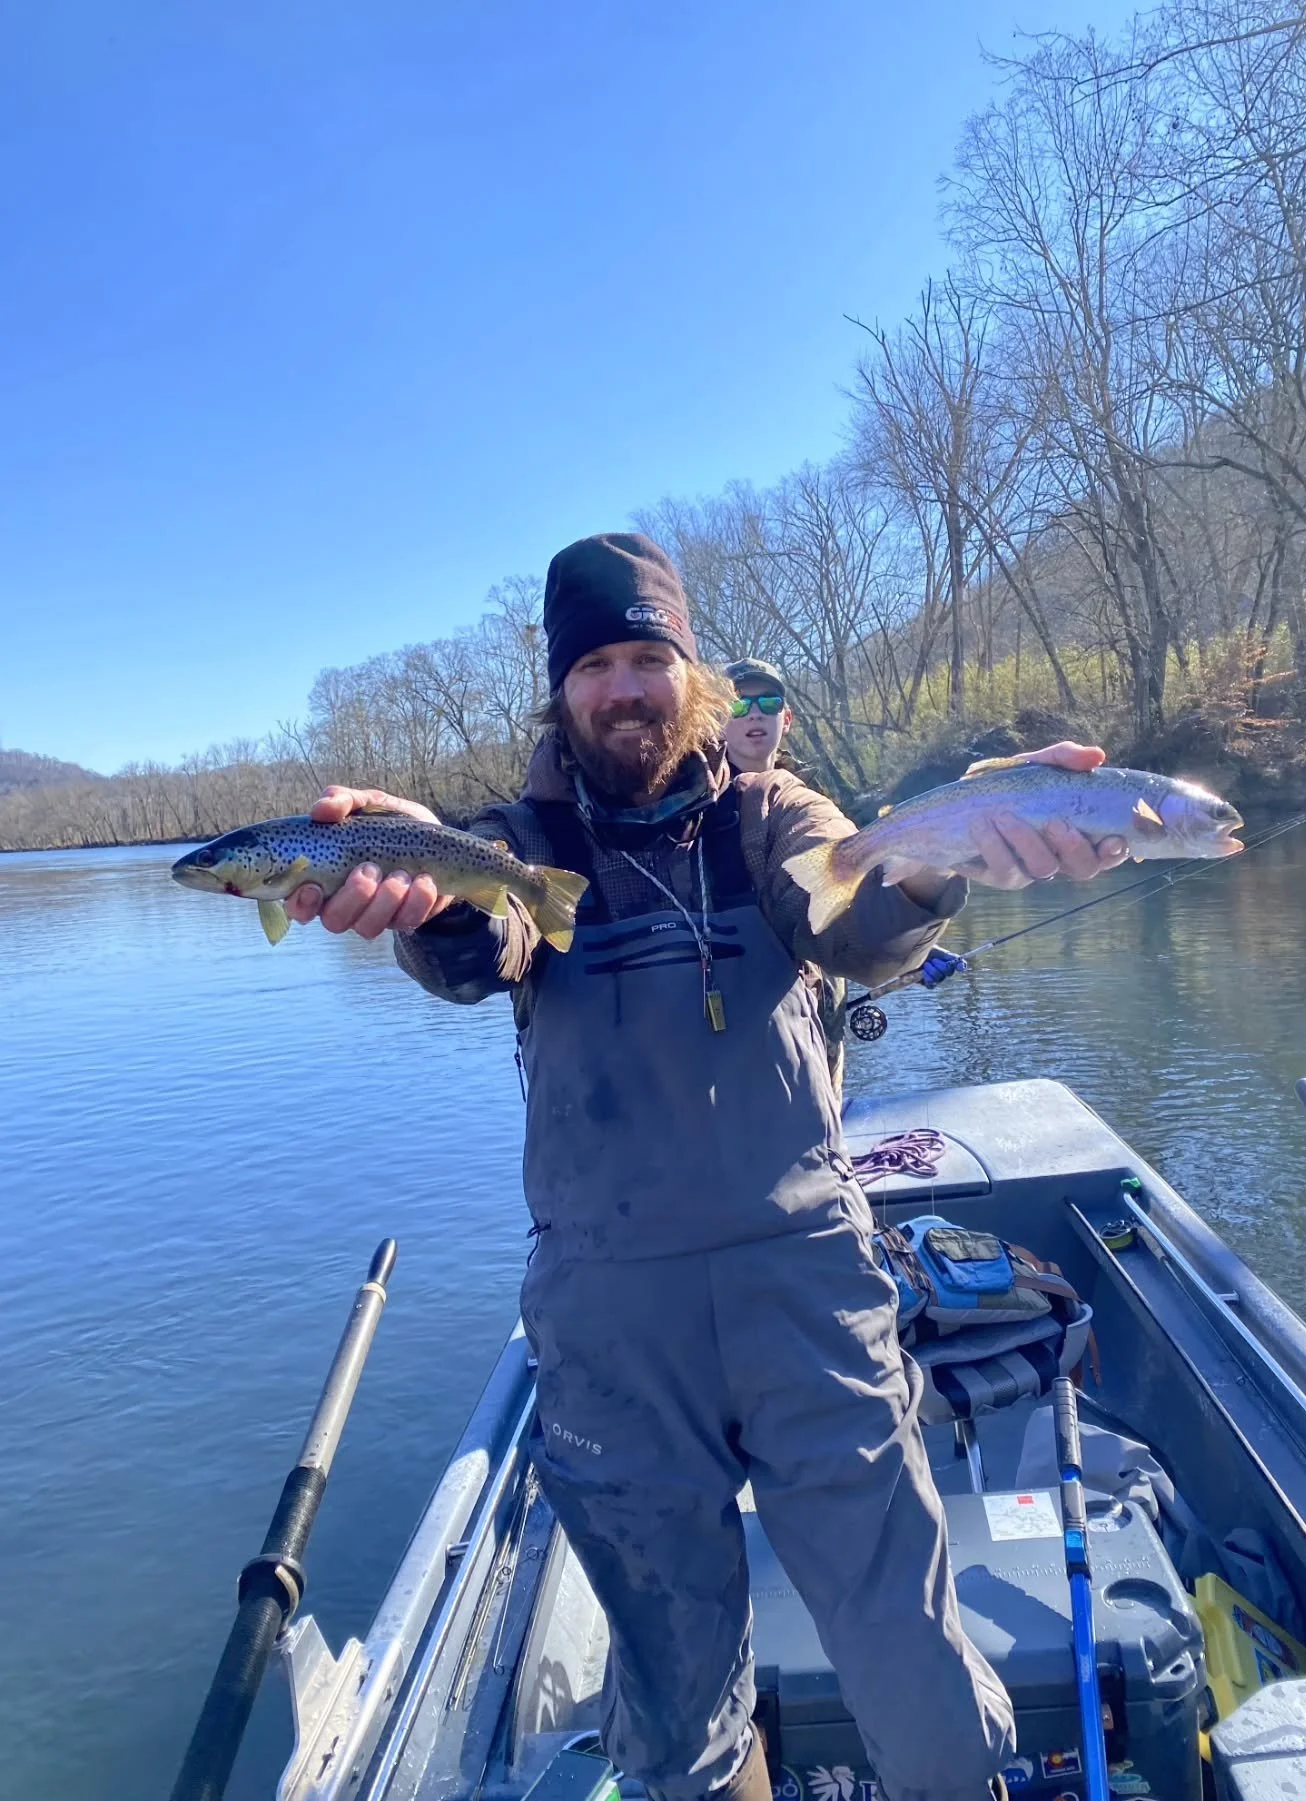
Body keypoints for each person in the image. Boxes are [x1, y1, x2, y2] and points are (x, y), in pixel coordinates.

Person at [284, 533, 1129, 1801]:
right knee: (675, 1701)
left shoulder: (770, 817)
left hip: (808, 1285)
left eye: (648, 657)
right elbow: (484, 943)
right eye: (597, 665)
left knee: (908, 1645)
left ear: (689, 677)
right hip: (611, 1317)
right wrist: (436, 898)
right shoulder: (517, 842)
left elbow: (849, 916)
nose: (624, 686)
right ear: (561, 688)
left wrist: (928, 863)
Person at [722, 657, 849, 1097]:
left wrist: (908, 936)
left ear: (787, 718)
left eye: (768, 702)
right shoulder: (698, 811)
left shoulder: (814, 802)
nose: (754, 713)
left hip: (823, 1003)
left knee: (825, 1113)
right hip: (750, 1018)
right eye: (738, 705)